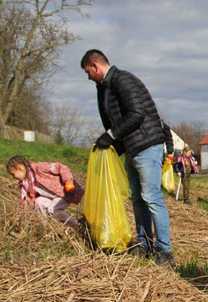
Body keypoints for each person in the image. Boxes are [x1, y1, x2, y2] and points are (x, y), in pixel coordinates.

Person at [81, 49, 174, 266]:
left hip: (147, 146)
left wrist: (111, 136)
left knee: (151, 197)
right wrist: (112, 143)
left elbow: (137, 113)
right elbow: (112, 119)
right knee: (138, 199)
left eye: (88, 72)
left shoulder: (123, 80)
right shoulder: (104, 87)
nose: (88, 77)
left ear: (95, 66)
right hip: (132, 148)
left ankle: (165, 251)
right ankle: (144, 245)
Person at [6, 156, 83, 226]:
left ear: (19, 168)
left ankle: (76, 225)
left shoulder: (38, 168)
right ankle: (45, 225)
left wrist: (68, 181)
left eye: (13, 174)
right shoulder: (25, 184)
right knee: (39, 202)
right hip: (53, 197)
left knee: (53, 210)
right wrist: (22, 213)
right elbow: (26, 201)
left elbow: (61, 167)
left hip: (65, 193)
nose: (13, 177)